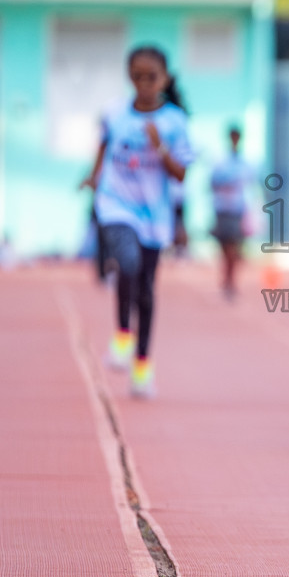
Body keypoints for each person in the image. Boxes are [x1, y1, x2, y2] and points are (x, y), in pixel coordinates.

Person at [83, 45, 193, 399]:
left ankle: (143, 366)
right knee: (127, 261)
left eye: (151, 77)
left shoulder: (174, 121)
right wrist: (94, 175)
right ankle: (121, 336)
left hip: (154, 214)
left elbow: (180, 174)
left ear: (165, 79)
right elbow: (104, 144)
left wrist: (159, 146)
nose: (144, 84)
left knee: (146, 291)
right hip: (116, 203)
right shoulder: (115, 112)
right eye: (137, 77)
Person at [209, 126, 251, 300]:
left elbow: (248, 184)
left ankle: (230, 280)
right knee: (224, 247)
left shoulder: (245, 162)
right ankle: (226, 278)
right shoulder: (221, 161)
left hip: (236, 209)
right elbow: (212, 183)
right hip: (222, 208)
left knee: (234, 246)